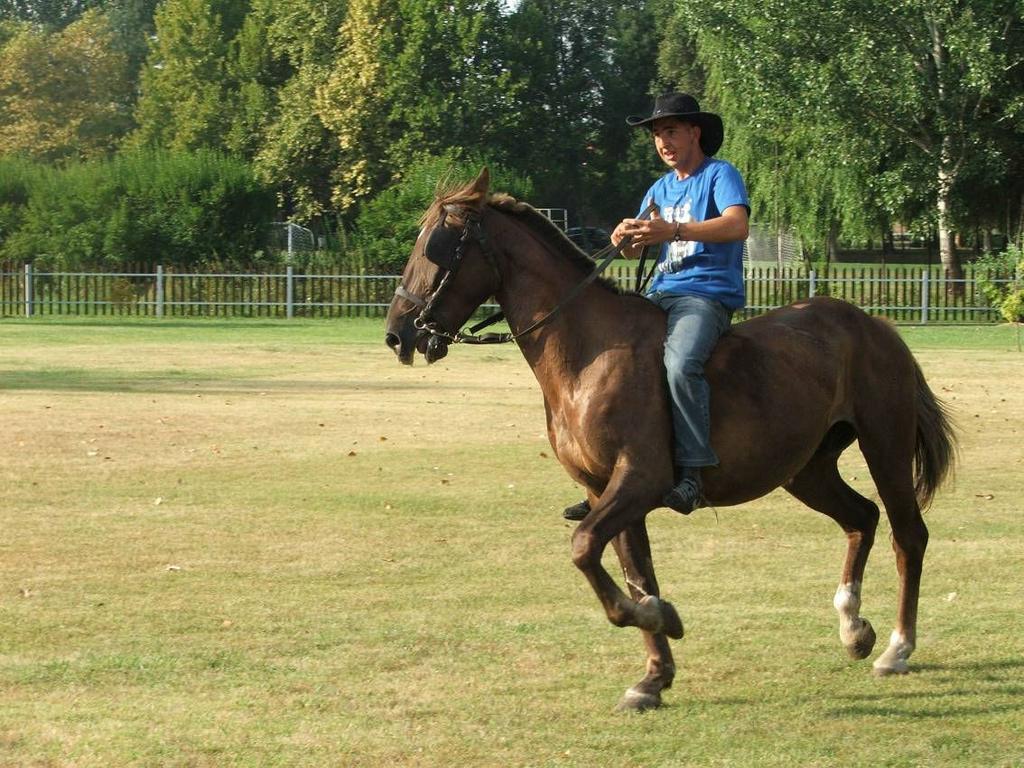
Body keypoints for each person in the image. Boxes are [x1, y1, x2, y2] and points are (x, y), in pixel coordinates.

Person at [563, 92, 750, 522]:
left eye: (670, 131)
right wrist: (623, 239)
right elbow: (638, 249)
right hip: (661, 294)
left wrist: (676, 228)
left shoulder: (720, 175)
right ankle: (606, 480)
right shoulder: (659, 188)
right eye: (656, 135)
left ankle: (694, 473)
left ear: (694, 132)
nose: (662, 142)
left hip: (705, 295)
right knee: (613, 365)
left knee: (682, 364)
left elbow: (738, 225)